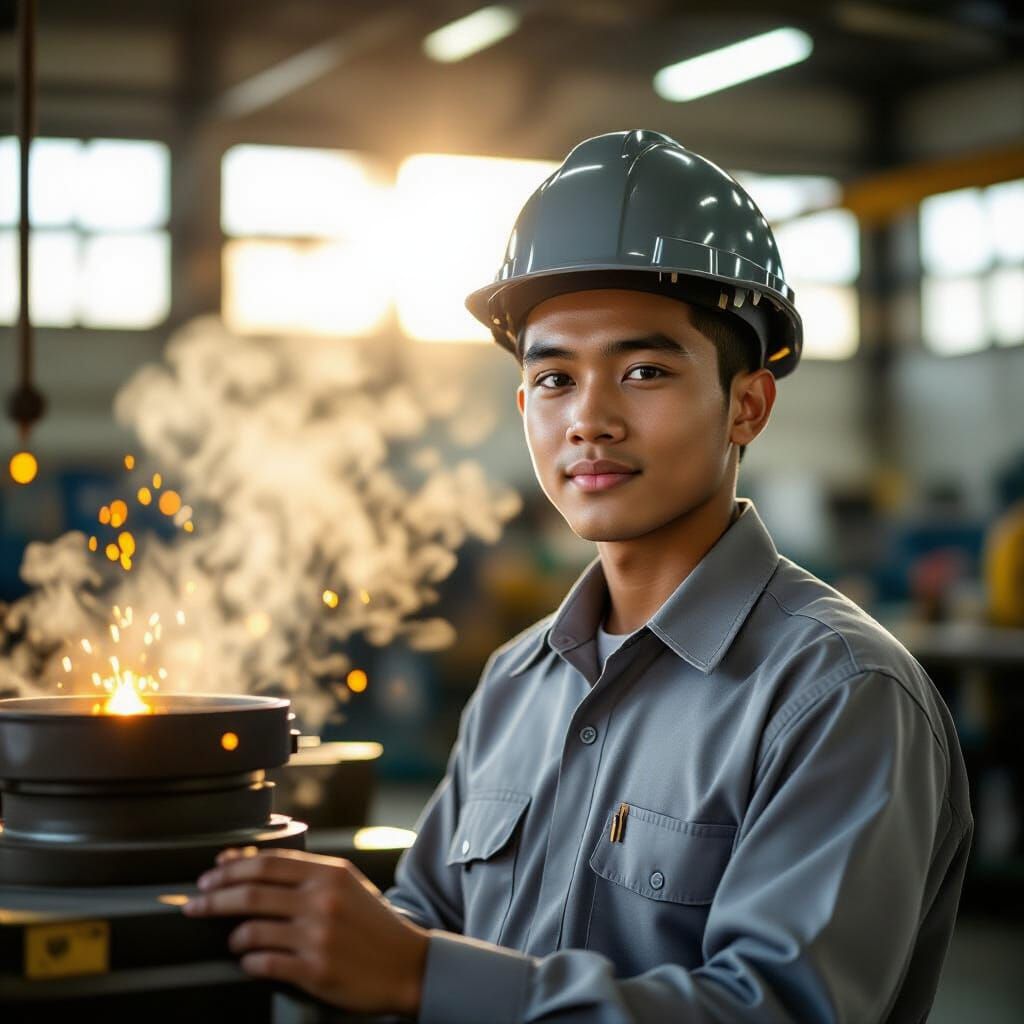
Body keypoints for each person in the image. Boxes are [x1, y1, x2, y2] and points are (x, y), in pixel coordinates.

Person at [185, 129, 973, 1022]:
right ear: (524, 406)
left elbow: (778, 1012)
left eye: (643, 371)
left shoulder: (838, 695)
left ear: (747, 403)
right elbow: (425, 920)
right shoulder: (517, 681)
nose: (589, 419)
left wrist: (418, 976)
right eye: (554, 378)